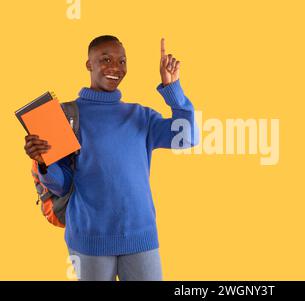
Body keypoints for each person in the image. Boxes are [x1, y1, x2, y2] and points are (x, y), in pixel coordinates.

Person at [23, 35, 198, 281]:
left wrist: (173, 88)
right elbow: (61, 185)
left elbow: (187, 137)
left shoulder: (141, 116)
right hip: (89, 239)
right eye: (105, 59)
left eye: (122, 61)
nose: (115, 67)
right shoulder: (63, 116)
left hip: (141, 238)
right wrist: (44, 161)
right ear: (89, 64)